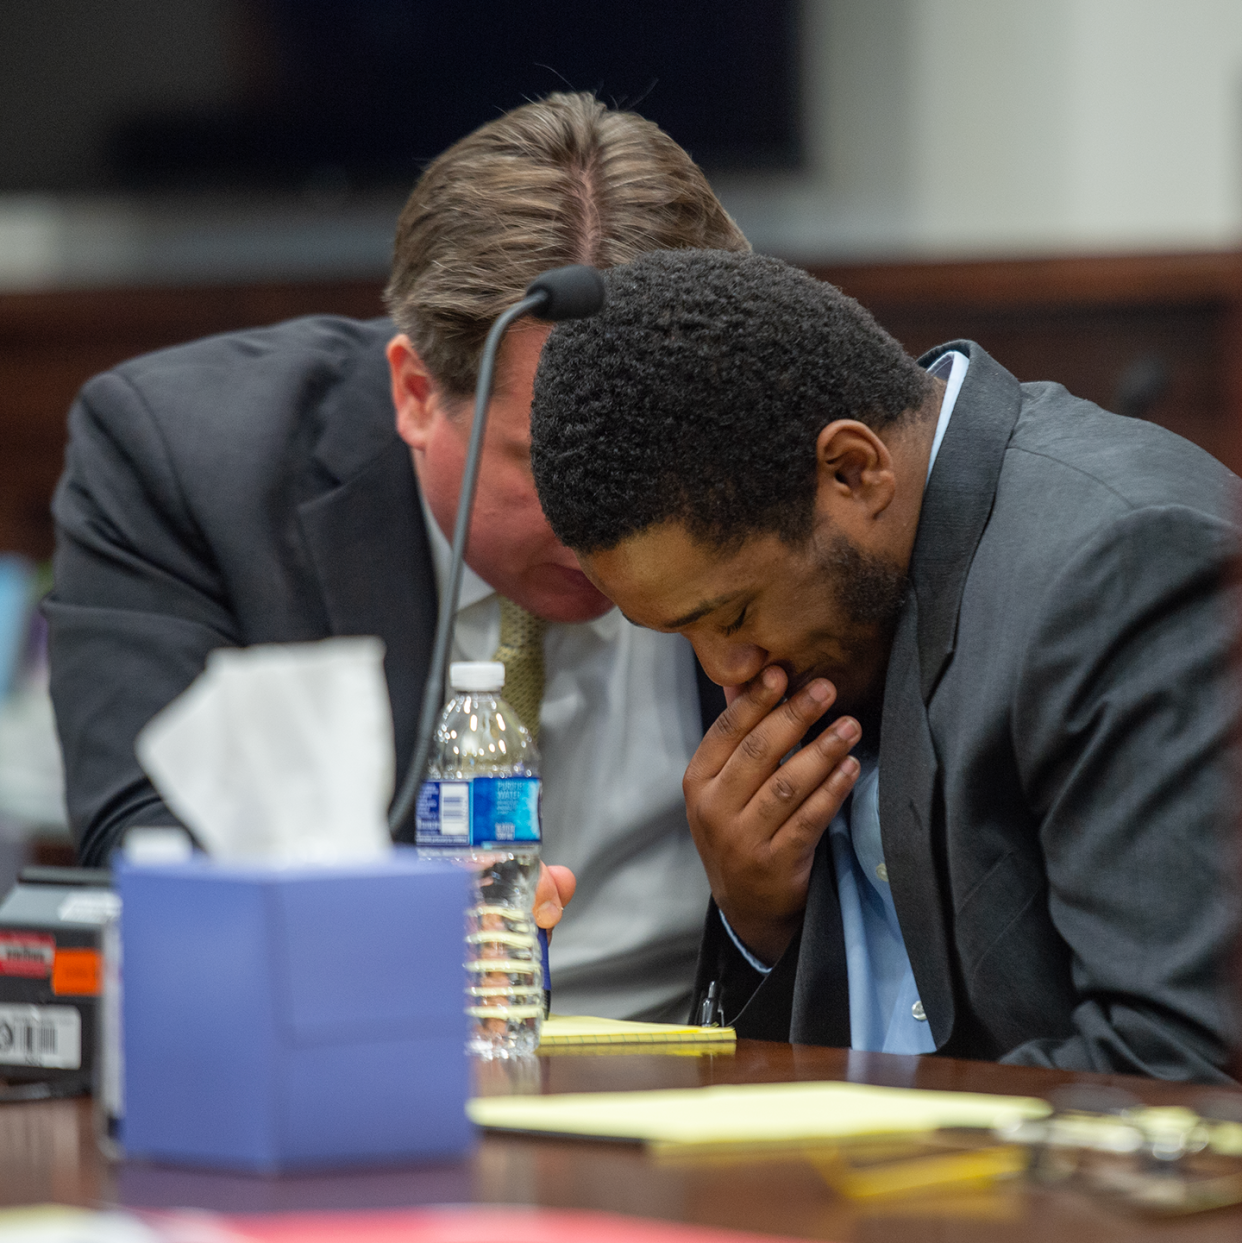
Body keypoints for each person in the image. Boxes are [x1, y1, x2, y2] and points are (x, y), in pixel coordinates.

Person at [46, 94, 749, 1021]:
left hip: (712, 1092)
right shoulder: (187, 462)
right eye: (555, 463)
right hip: (355, 1073)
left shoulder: (781, 463)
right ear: (419, 393)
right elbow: (150, 848)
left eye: (657, 460)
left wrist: (764, 924)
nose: (616, 522)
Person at [528, 248, 1241, 1080]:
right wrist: (757, 928)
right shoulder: (842, 595)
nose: (728, 670)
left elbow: (1179, 1067)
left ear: (853, 471)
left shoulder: (1122, 566)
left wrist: (875, 1164)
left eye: (733, 615)